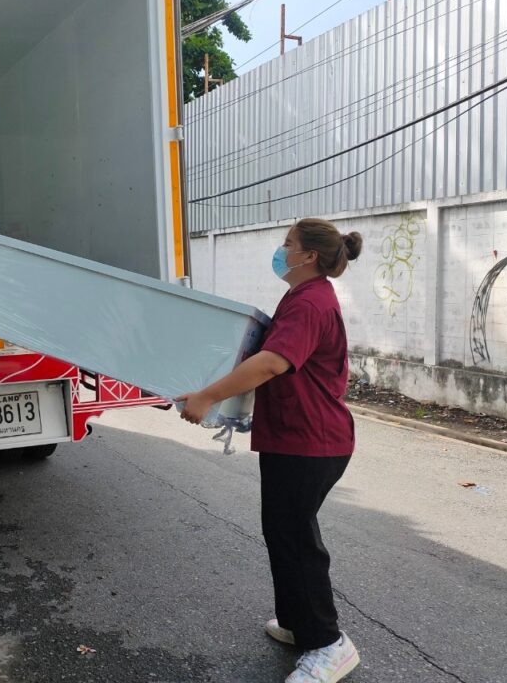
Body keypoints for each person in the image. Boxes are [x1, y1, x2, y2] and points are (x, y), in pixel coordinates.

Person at [176, 218, 364, 683]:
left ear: (309, 256)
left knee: (296, 539)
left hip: (311, 441)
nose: (282, 251)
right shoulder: (303, 296)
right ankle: (300, 623)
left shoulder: (311, 302)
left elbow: (271, 363)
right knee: (282, 533)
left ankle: (328, 644)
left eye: (288, 244)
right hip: (296, 437)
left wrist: (208, 396)